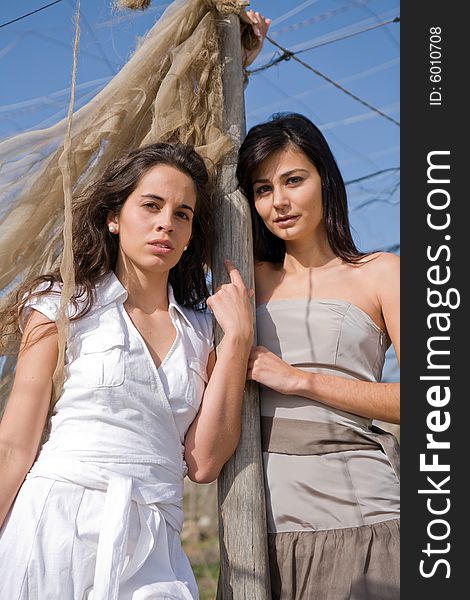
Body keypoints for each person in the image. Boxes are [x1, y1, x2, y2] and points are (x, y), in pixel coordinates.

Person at [0, 142, 255, 599]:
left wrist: (236, 341)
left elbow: (204, 463)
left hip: (156, 537)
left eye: (183, 214)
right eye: (151, 205)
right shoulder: (63, 305)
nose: (166, 223)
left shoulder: (203, 333)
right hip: (57, 522)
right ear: (114, 218)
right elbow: (14, 446)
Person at [236, 112, 400, 600]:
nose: (278, 201)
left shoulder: (380, 273)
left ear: (325, 180)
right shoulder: (245, 276)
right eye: (263, 189)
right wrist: (236, 64)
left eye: (293, 180)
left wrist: (301, 380)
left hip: (364, 521)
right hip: (259, 535)